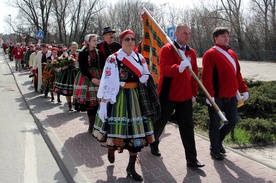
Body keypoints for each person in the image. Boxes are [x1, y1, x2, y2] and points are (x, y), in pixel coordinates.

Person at [93, 29, 158, 181]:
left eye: (132, 39)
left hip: (137, 97)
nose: (130, 42)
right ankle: (111, 148)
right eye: (127, 39)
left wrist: (144, 78)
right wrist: (104, 103)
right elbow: (107, 81)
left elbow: (146, 73)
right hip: (119, 97)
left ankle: (131, 167)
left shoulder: (140, 57)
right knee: (116, 128)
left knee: (136, 134)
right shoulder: (113, 59)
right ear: (121, 42)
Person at [150, 23, 204, 169]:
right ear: (176, 34)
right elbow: (165, 70)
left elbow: (194, 76)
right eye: (184, 33)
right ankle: (153, 142)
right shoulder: (167, 49)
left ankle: (192, 159)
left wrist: (193, 93)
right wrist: (179, 67)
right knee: (160, 122)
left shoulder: (191, 52)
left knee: (187, 127)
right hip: (168, 94)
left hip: (185, 96)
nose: (187, 36)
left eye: (189, 33)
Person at [201, 27, 249, 160]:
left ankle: (217, 142)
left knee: (233, 121)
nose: (226, 38)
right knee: (214, 124)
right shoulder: (210, 54)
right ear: (216, 38)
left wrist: (243, 89)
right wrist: (209, 95)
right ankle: (214, 149)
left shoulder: (232, 54)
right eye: (223, 36)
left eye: (227, 35)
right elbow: (206, 77)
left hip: (231, 95)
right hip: (216, 96)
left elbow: (237, 73)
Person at [73, 34, 105, 132]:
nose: (96, 42)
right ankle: (91, 126)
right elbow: (82, 68)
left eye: (96, 40)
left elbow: (103, 65)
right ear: (88, 42)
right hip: (87, 78)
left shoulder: (99, 52)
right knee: (91, 103)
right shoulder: (83, 53)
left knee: (98, 102)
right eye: (94, 40)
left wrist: (102, 77)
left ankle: (96, 125)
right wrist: (92, 78)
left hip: (98, 76)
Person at [54, 42, 79, 111]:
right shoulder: (65, 55)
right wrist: (63, 67)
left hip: (76, 73)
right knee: (68, 90)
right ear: (70, 47)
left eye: (76, 48)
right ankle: (70, 105)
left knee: (77, 90)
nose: (74, 49)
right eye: (73, 47)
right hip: (67, 74)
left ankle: (76, 104)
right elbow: (59, 64)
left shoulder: (79, 54)